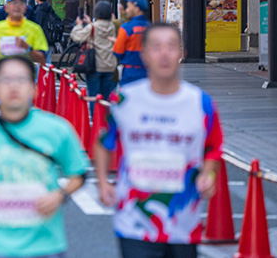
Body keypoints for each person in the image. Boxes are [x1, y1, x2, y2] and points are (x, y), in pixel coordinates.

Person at [95, 24, 223, 258]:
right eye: (156, 47)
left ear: (181, 53)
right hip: (134, 221)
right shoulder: (123, 100)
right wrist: (103, 181)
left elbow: (213, 148)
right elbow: (104, 141)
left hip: (184, 222)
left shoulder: (201, 103)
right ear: (144, 54)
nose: (164, 54)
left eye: (171, 47)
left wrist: (209, 174)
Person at [0, 55, 89, 258]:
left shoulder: (57, 129)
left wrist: (60, 195)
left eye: (22, 79)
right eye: (5, 80)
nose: (14, 86)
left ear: (33, 89)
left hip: (45, 245)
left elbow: (79, 173)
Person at [70, 0, 118, 106]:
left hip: (95, 65)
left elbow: (76, 37)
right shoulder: (112, 27)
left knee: (94, 96)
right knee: (106, 98)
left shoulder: (92, 27)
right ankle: (105, 119)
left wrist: (79, 25)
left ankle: (96, 119)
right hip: (109, 65)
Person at [0, 0, 48, 65]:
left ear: (25, 8)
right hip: (1, 74)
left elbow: (42, 59)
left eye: (20, 2)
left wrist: (28, 49)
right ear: (6, 8)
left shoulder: (35, 29)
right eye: (13, 2)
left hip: (25, 74)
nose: (17, 6)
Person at [113, 0, 151, 85]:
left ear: (137, 9)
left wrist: (117, 42)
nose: (126, 10)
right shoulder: (151, 28)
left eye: (129, 7)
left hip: (130, 73)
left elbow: (117, 52)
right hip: (149, 73)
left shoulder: (126, 28)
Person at [32, 0, 59, 64]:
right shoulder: (49, 8)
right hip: (49, 39)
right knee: (48, 63)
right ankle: (47, 76)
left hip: (41, 40)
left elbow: (37, 26)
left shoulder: (39, 11)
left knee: (39, 64)